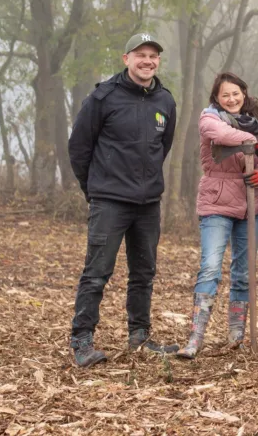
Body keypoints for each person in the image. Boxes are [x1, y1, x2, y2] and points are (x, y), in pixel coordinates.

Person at [67, 33, 179, 366]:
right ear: (125, 58)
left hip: (147, 204)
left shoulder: (165, 101)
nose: (147, 61)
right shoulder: (103, 98)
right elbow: (79, 148)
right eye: (140, 54)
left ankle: (139, 336)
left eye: (153, 56)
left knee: (144, 272)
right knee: (97, 273)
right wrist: (95, 190)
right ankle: (82, 341)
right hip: (109, 201)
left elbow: (163, 147)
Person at [177, 73, 258, 358]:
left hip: (249, 204)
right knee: (210, 267)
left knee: (243, 273)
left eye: (236, 93)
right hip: (217, 203)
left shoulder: (256, 125)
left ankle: (236, 337)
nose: (231, 99)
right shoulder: (210, 119)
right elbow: (221, 135)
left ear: (244, 93)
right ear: (216, 98)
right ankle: (196, 337)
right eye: (225, 95)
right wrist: (251, 141)